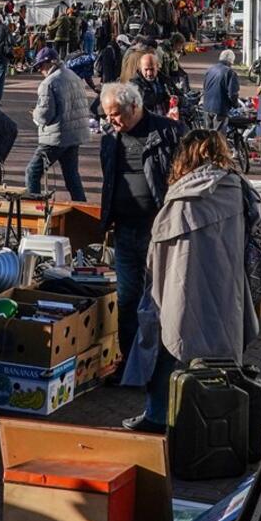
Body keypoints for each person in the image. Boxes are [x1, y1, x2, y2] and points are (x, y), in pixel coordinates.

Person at [121, 130, 256, 432]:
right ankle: (213, 420)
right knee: (217, 355)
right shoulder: (236, 189)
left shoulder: (183, 199)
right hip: (224, 286)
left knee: (166, 347)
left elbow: (160, 250)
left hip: (181, 287)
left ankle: (157, 416)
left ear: (186, 157)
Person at [99, 82, 185, 379]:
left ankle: (159, 367)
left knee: (158, 300)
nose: (112, 121)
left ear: (134, 107)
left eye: (116, 115)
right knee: (127, 298)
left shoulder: (167, 132)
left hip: (157, 231)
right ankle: (131, 365)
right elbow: (109, 177)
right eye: (108, 116)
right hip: (124, 229)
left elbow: (181, 175)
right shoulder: (110, 138)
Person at [26, 47, 91, 201]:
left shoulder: (48, 83)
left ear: (50, 63)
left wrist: (35, 113)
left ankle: (35, 209)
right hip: (74, 134)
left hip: (56, 136)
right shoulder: (73, 75)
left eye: (41, 66)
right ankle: (82, 210)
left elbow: (44, 115)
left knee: (32, 172)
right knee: (71, 175)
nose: (40, 70)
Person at [202, 49, 241, 132]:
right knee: (218, 138)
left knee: (208, 136)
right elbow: (233, 94)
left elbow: (205, 87)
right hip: (220, 109)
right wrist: (236, 105)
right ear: (230, 61)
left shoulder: (210, 70)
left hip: (206, 107)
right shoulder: (230, 72)